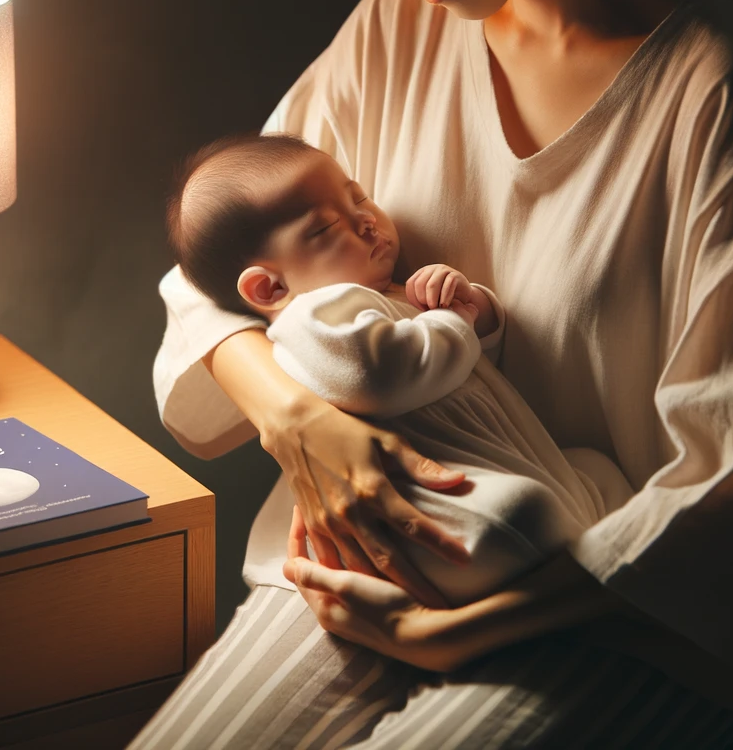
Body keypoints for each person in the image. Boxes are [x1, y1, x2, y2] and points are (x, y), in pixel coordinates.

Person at [133, 0, 733, 746]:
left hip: (625, 615)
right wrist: (300, 421)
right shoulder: (396, 33)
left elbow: (728, 487)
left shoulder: (714, 96)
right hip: (393, 559)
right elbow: (215, 277)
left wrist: (464, 631)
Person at [166, 131, 635, 610]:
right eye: (327, 229)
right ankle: (567, 578)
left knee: (594, 468)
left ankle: (587, 548)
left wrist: (473, 306)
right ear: (268, 289)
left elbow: (467, 371)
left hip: (517, 465)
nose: (368, 221)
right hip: (440, 511)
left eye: (359, 198)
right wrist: (455, 319)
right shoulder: (312, 319)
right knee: (522, 516)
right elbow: (384, 376)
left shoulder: (384, 294)